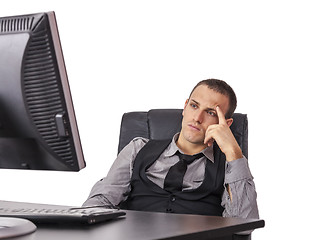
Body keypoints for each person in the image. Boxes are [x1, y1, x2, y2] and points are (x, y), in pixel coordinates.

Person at [83, 79, 259, 219]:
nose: (197, 118)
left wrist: (234, 153)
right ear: (185, 106)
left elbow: (243, 224)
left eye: (211, 113)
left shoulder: (231, 167)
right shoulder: (137, 149)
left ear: (226, 124)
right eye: (194, 105)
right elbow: (98, 204)